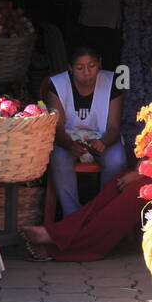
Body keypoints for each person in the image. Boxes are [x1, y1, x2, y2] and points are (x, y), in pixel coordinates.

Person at [21, 40, 152, 263]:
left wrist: (143, 172)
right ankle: (60, 232)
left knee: (132, 193)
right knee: (117, 183)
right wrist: (143, 168)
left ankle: (61, 247)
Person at [44, 46, 125, 220]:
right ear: (70, 68)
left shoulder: (111, 82)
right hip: (68, 138)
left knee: (117, 160)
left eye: (92, 66)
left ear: (100, 64)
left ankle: (103, 214)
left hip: (104, 137)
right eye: (80, 68)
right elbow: (57, 128)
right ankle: (72, 216)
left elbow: (114, 127)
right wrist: (69, 144)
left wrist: (104, 142)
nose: (87, 73)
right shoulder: (58, 85)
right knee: (59, 158)